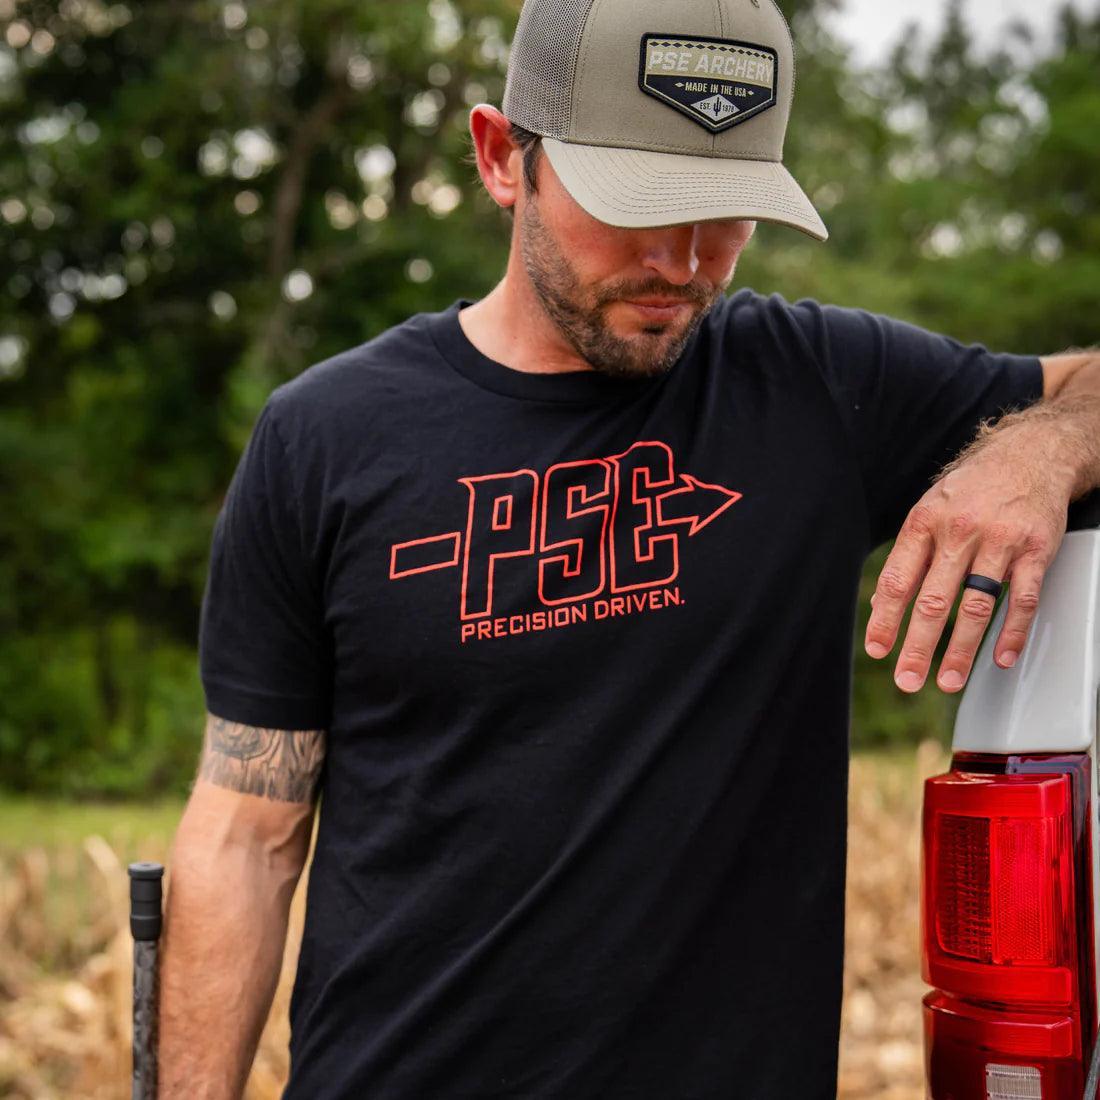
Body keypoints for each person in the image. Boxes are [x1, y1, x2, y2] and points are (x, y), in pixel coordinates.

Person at [158, 0, 1100, 1096]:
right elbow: (245, 834)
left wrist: (1037, 448)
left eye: (723, 212)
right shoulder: (322, 437)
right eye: (637, 207)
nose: (683, 261)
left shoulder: (813, 390)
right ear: (502, 157)